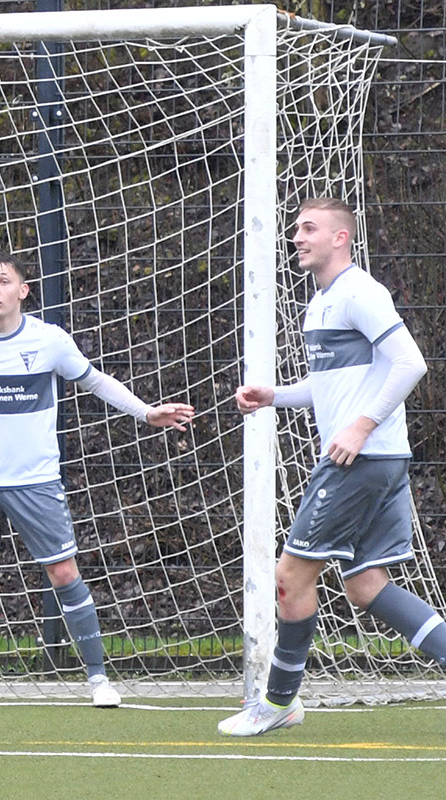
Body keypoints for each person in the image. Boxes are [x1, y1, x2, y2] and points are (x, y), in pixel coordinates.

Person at [0, 251, 194, 709]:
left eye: (2, 281)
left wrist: (147, 412)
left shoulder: (49, 340)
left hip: (35, 480)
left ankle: (98, 679)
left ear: (23, 290)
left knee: (63, 572)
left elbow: (96, 382)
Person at [218, 198, 441, 736]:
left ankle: (278, 704)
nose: (298, 237)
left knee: (290, 576)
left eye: (309, 228)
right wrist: (275, 395)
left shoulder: (361, 292)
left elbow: (412, 362)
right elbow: (331, 385)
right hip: (379, 458)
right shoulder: (321, 302)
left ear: (340, 238)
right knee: (365, 584)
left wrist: (361, 425)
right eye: (296, 229)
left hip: (361, 457)